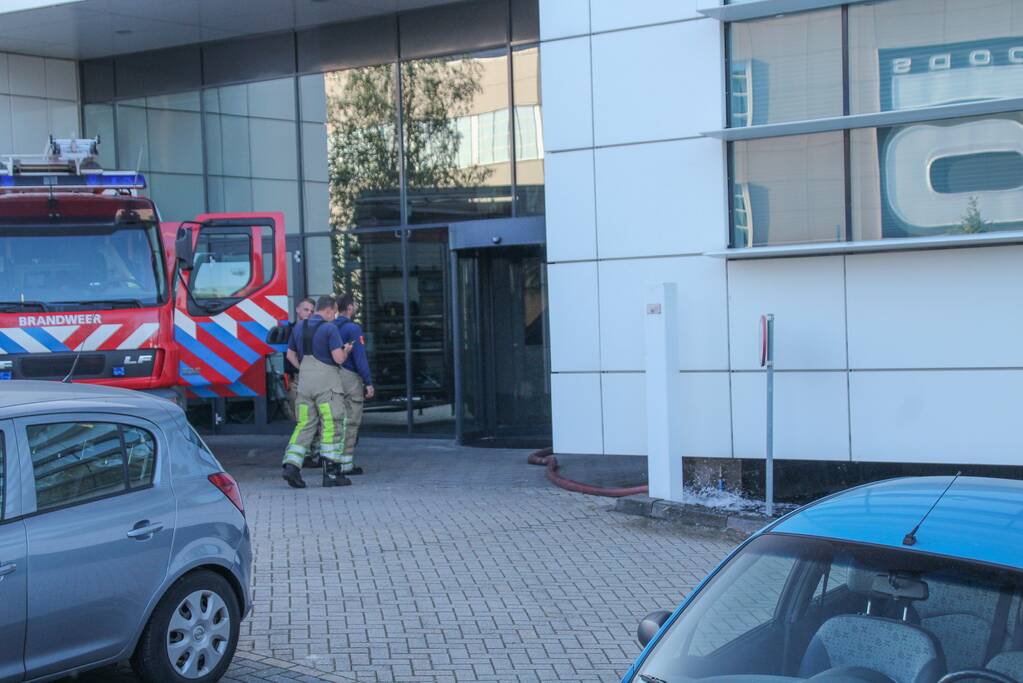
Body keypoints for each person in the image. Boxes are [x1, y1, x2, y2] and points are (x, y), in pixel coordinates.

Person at [281, 295, 354, 489]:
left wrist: (303, 368)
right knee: (332, 423)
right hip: (326, 384)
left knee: (304, 424)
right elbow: (338, 359)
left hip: (305, 382)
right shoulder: (330, 328)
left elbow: (290, 355)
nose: (334, 316)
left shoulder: (299, 327)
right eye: (334, 313)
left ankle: (291, 465)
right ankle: (331, 474)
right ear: (329, 310)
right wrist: (346, 350)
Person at [333, 293, 374, 477]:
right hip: (350, 378)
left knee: (335, 420)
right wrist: (368, 382)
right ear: (349, 307)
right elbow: (360, 357)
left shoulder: (329, 327)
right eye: (355, 304)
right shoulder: (353, 329)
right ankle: (345, 464)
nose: (356, 306)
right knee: (351, 419)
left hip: (331, 377)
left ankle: (332, 461)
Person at [283, 297, 315, 420]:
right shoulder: (288, 329)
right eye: (306, 309)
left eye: (311, 311)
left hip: (312, 377)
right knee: (298, 415)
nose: (309, 313)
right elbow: (288, 355)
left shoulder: (316, 330)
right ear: (297, 310)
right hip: (294, 377)